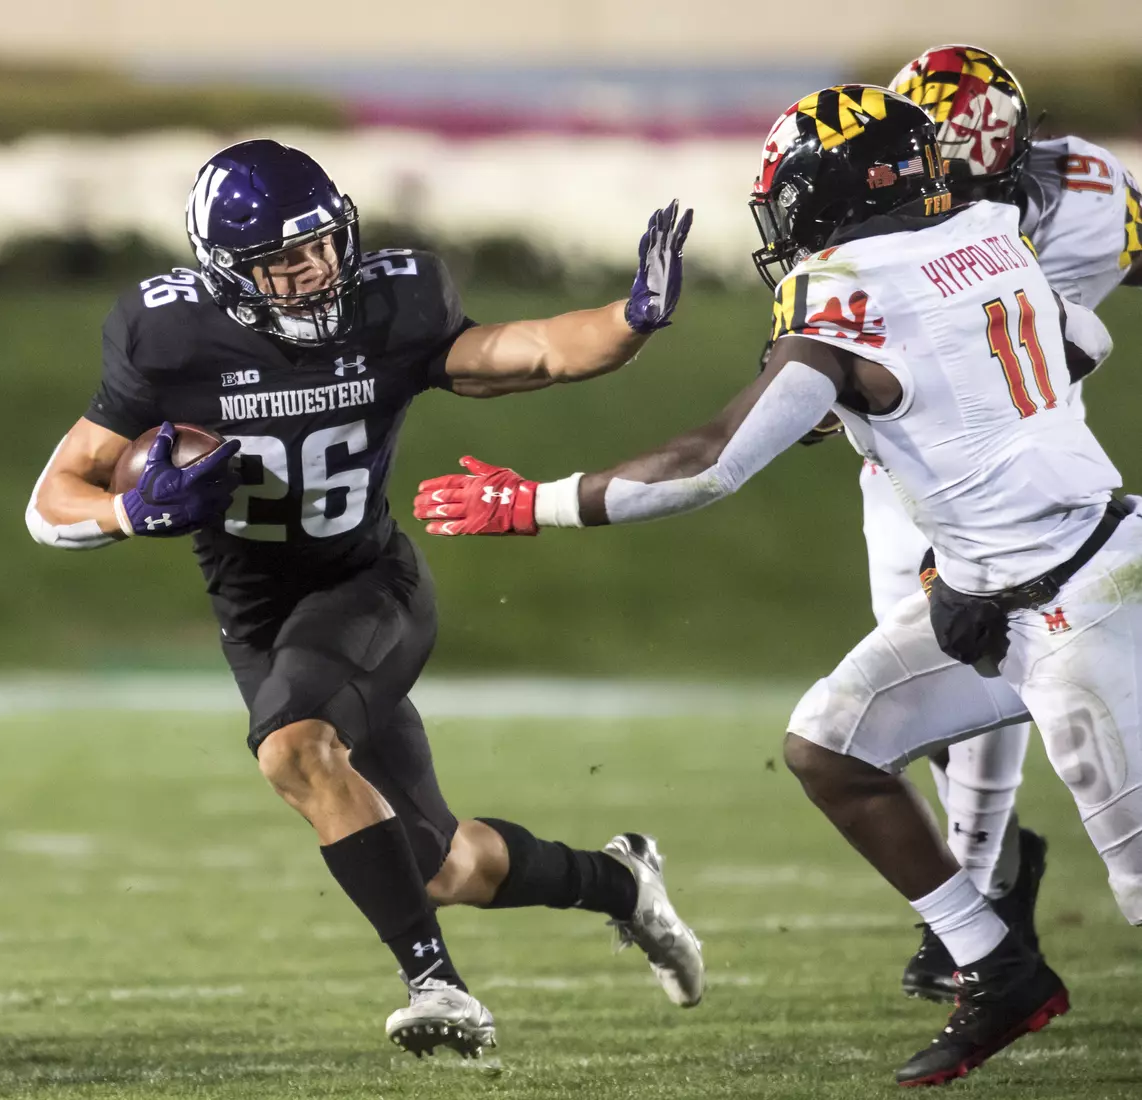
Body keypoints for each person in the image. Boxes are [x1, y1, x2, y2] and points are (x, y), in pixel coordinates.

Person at [411, 85, 1137, 1085]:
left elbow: (707, 461)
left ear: (825, 188)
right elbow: (1069, 350)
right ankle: (998, 965)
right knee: (830, 742)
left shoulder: (846, 289)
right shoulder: (990, 230)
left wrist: (530, 501)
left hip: (1079, 602)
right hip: (1013, 580)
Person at [25, 139, 704, 1059]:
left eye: (319, 247)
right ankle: (624, 884)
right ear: (228, 275)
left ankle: (438, 986)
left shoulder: (396, 299)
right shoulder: (168, 336)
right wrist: (125, 513)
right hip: (256, 614)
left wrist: (627, 319)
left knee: (294, 749)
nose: (311, 272)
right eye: (280, 260)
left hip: (366, 583)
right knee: (434, 864)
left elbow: (529, 352)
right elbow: (52, 498)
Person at [855, 44, 1142, 1003]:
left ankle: (977, 893)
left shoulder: (1090, 195)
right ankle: (997, 880)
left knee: (987, 653)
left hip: (1018, 476)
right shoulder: (870, 200)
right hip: (906, 471)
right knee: (929, 693)